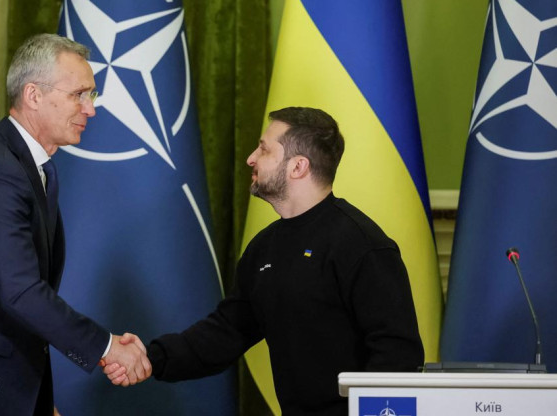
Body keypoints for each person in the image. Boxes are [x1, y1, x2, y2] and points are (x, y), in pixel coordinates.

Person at [106, 107, 424, 415]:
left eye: (263, 150)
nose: (250, 159)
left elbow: (397, 356)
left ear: (298, 167)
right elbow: (225, 333)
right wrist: (150, 356)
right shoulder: (265, 247)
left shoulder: (362, 245)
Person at [0, 34, 151, 416]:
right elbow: (20, 292)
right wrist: (106, 347)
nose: (91, 109)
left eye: (92, 96)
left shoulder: (29, 169)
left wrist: (36, 398)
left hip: (3, 381)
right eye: (79, 95)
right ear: (34, 95)